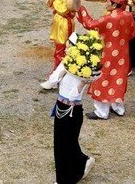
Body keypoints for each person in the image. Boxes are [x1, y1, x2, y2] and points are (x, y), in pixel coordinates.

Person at [77, 0, 135, 120]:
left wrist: (81, 9)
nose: (106, 4)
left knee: (102, 79)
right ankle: (118, 107)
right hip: (122, 53)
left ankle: (102, 112)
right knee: (118, 78)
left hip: (107, 53)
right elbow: (133, 32)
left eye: (108, 2)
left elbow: (90, 24)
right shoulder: (128, 15)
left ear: (114, 5)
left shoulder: (109, 18)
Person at [42, 53, 95, 183]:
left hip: (72, 110)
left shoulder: (83, 69)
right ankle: (83, 161)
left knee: (67, 144)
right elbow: (52, 81)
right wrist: (63, 70)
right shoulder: (66, 63)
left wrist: (82, 83)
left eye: (69, 46)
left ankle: (63, 180)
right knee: (61, 144)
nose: (66, 49)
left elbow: (72, 96)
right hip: (60, 106)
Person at [41, 0, 80, 88]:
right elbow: (49, 4)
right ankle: (58, 74)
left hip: (65, 23)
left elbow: (63, 10)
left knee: (62, 50)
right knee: (58, 48)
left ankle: (57, 77)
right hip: (58, 21)